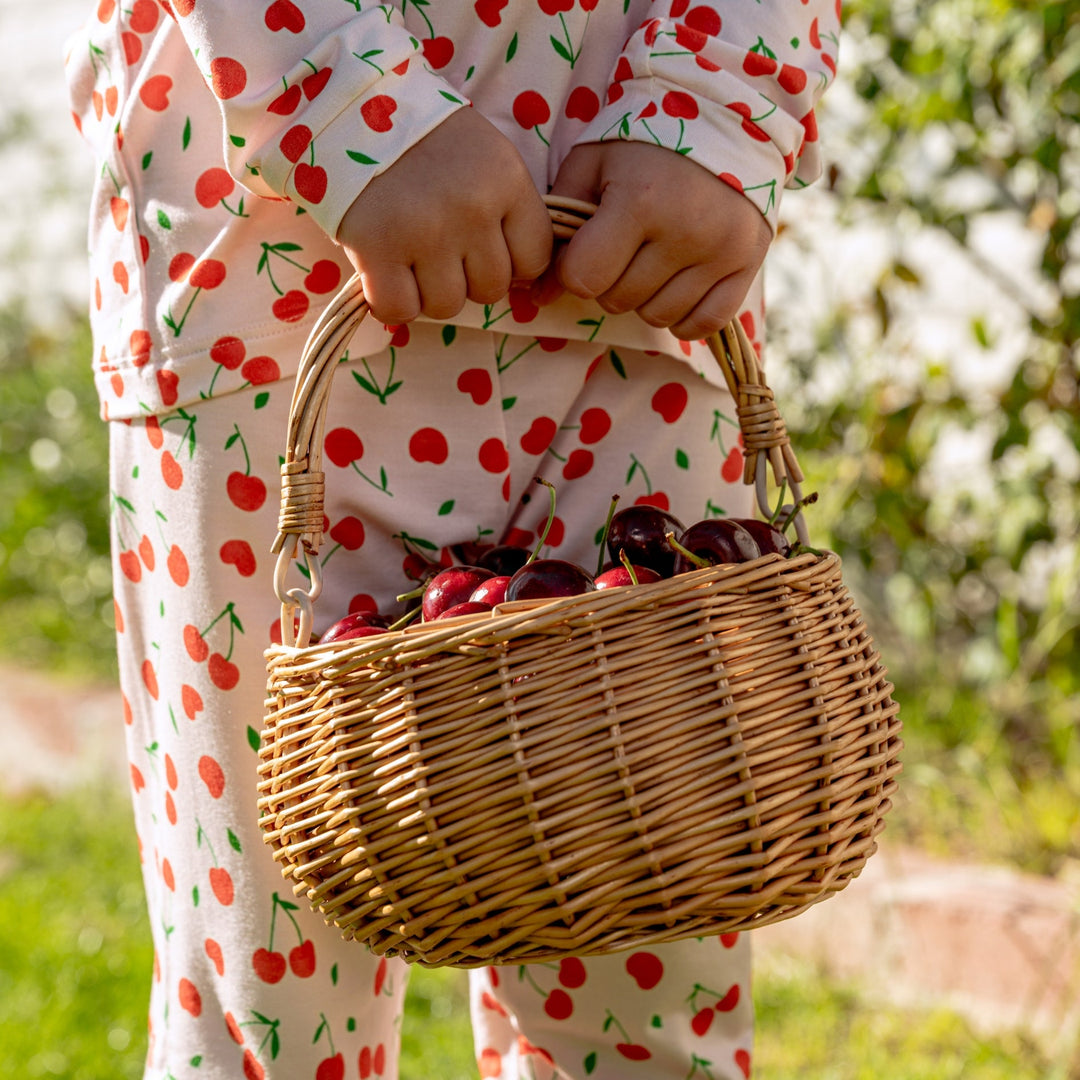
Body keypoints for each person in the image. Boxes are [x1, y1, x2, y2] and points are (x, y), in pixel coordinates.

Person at [65, 3, 839, 1077]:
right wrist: (347, 102)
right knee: (271, 1008)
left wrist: (716, 105)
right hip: (276, 287)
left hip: (634, 274)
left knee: (642, 989)